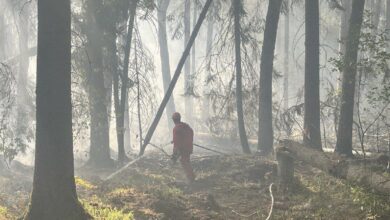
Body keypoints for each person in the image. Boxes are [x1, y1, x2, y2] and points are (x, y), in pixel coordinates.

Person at [171, 112, 195, 183]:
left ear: (173, 120)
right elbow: (190, 132)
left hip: (183, 149)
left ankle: (191, 179)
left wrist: (174, 154)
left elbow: (176, 144)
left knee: (184, 162)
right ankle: (191, 177)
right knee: (186, 161)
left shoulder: (176, 129)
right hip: (188, 147)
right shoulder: (186, 126)